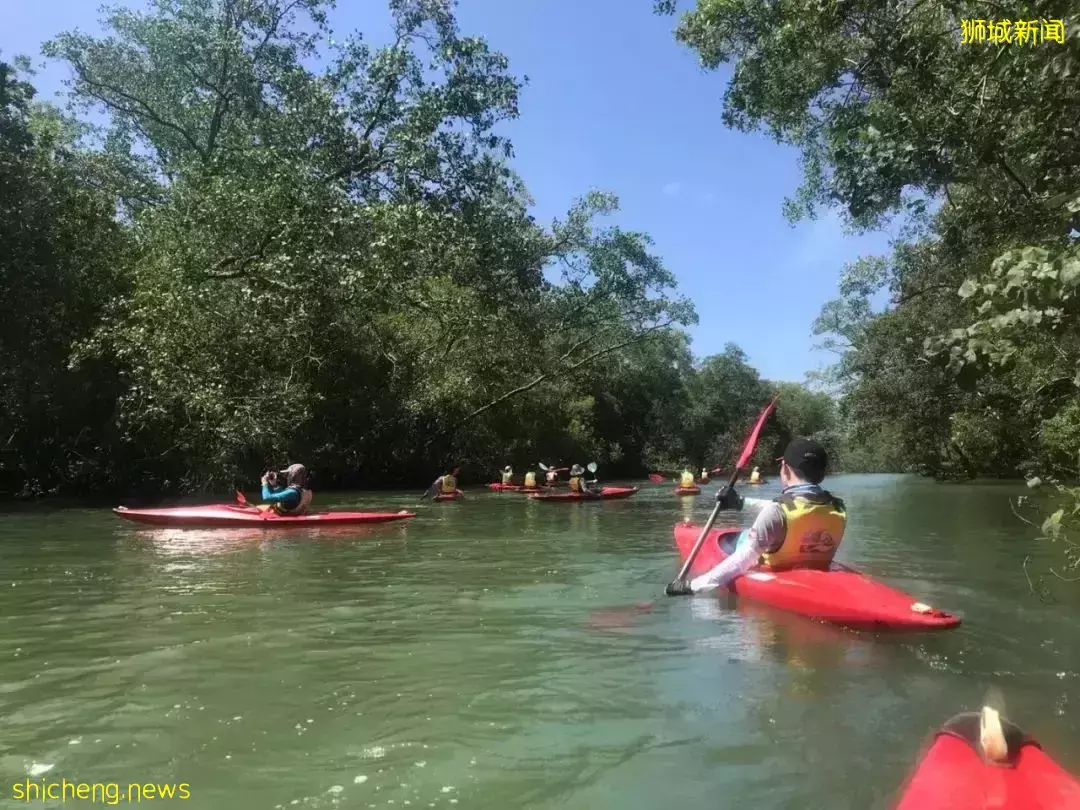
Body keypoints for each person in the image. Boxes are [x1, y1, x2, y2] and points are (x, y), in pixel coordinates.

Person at [666, 438, 845, 596]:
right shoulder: (838, 507)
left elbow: (743, 560)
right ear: (822, 474)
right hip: (814, 568)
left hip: (772, 566)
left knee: (737, 542)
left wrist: (692, 586)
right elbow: (797, 510)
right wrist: (739, 502)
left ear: (785, 469)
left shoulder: (777, 511)